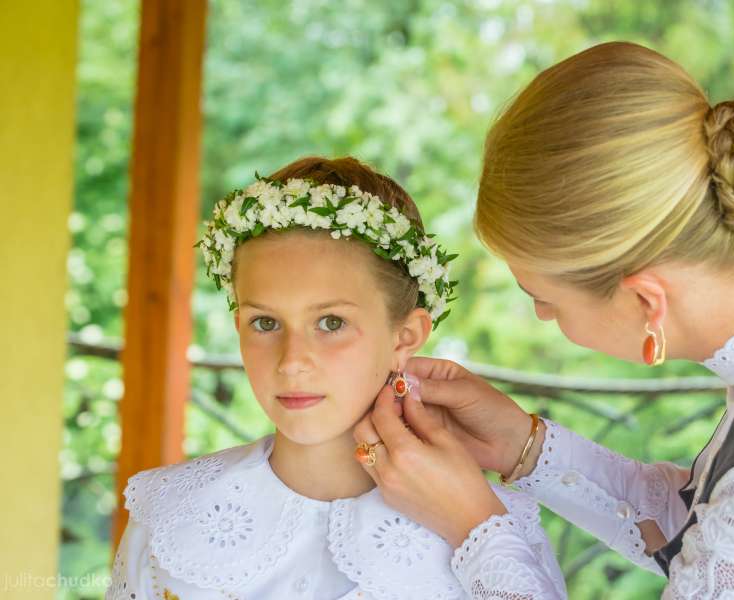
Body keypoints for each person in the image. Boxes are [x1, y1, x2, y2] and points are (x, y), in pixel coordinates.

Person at [353, 42, 734, 598]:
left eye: (543, 298)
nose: (541, 317)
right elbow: (713, 527)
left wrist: (474, 525)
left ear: (646, 303)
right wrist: (526, 447)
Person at [105, 157, 566, 599]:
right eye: (265, 323)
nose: (292, 362)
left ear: (405, 336)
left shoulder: (497, 535)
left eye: (330, 323)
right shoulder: (167, 514)